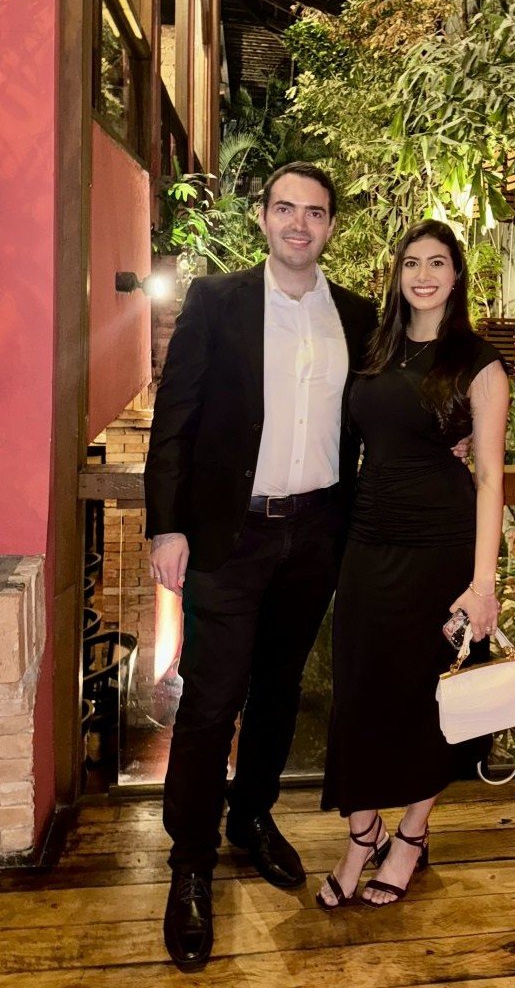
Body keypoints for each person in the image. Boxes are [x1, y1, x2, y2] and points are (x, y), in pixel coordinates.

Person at [144, 163, 378, 971]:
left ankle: (251, 816)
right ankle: (190, 863)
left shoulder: (357, 315)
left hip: (316, 534)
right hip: (229, 535)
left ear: (331, 226)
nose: (299, 224)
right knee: (212, 701)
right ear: (262, 217)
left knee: (280, 691)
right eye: (286, 209)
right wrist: (166, 527)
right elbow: (174, 419)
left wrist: (450, 436)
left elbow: (385, 412)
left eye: (314, 212)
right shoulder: (216, 301)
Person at [317, 219, 510, 910]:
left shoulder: (478, 363)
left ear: (457, 275)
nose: (423, 275)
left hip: (440, 547)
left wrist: (482, 584)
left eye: (437, 263)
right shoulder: (375, 349)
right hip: (368, 540)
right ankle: (360, 830)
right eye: (411, 263)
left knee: (428, 696)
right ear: (396, 275)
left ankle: (410, 835)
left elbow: (490, 477)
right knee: (360, 689)